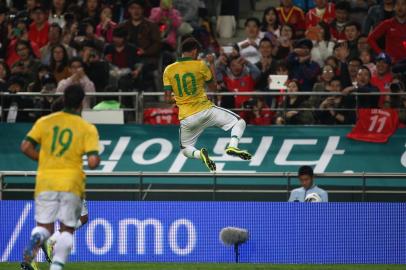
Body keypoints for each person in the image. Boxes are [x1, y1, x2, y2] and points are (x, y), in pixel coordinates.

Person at [20, 84, 100, 270]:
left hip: (46, 180)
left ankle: (38, 239)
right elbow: (94, 161)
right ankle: (56, 267)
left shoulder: (44, 122)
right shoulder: (86, 128)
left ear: (63, 97)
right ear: (81, 103)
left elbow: (25, 147)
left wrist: (47, 160)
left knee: (44, 227)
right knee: (67, 230)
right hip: (71, 182)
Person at [163, 38, 252, 172]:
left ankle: (200, 154)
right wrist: (211, 64)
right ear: (194, 52)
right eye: (197, 53)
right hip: (206, 111)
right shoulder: (201, 65)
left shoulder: (168, 70)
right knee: (239, 122)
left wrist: (181, 98)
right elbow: (214, 88)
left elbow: (167, 99)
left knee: (185, 149)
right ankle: (233, 145)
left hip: (187, 118)